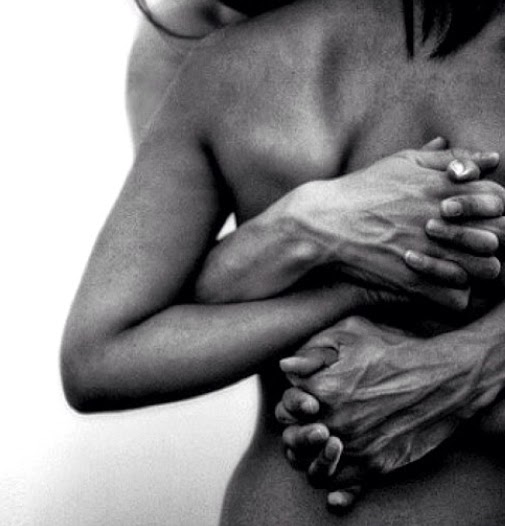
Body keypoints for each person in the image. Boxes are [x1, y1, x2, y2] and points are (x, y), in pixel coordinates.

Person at [61, 0, 505, 524]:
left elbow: (105, 352)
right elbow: (100, 358)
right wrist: (335, 268)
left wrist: (451, 372)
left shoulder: (226, 66)